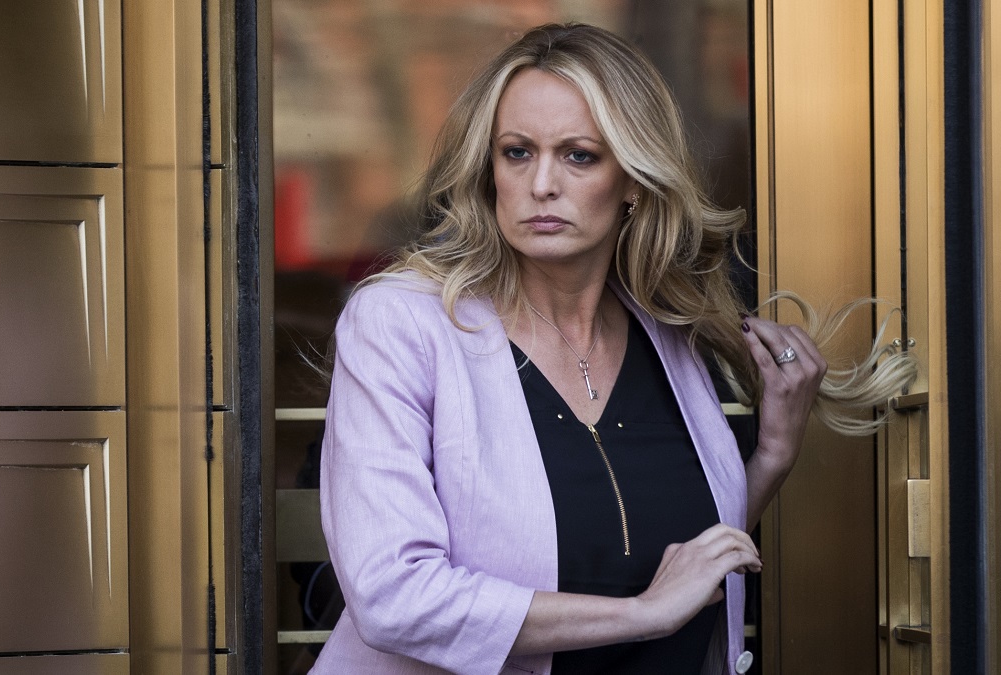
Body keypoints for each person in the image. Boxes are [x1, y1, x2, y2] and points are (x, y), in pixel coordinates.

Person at [310, 23, 916, 675]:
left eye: (579, 155)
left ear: (632, 178)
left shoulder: (666, 334)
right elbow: (394, 597)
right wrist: (642, 613)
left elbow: (678, 558)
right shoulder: (403, 323)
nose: (542, 183)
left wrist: (767, 458)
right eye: (517, 152)